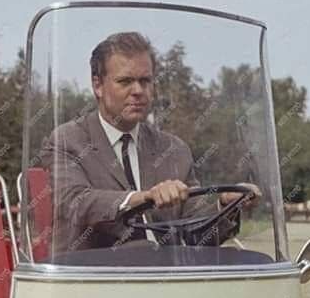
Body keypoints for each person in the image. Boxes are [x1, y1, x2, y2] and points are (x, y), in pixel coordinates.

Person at [42, 31, 260, 256]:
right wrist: (143, 198)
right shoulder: (67, 141)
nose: (138, 91)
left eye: (145, 81)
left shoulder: (174, 150)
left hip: (165, 282)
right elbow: (76, 203)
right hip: (92, 281)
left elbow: (197, 233)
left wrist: (225, 206)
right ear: (98, 85)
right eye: (125, 81)